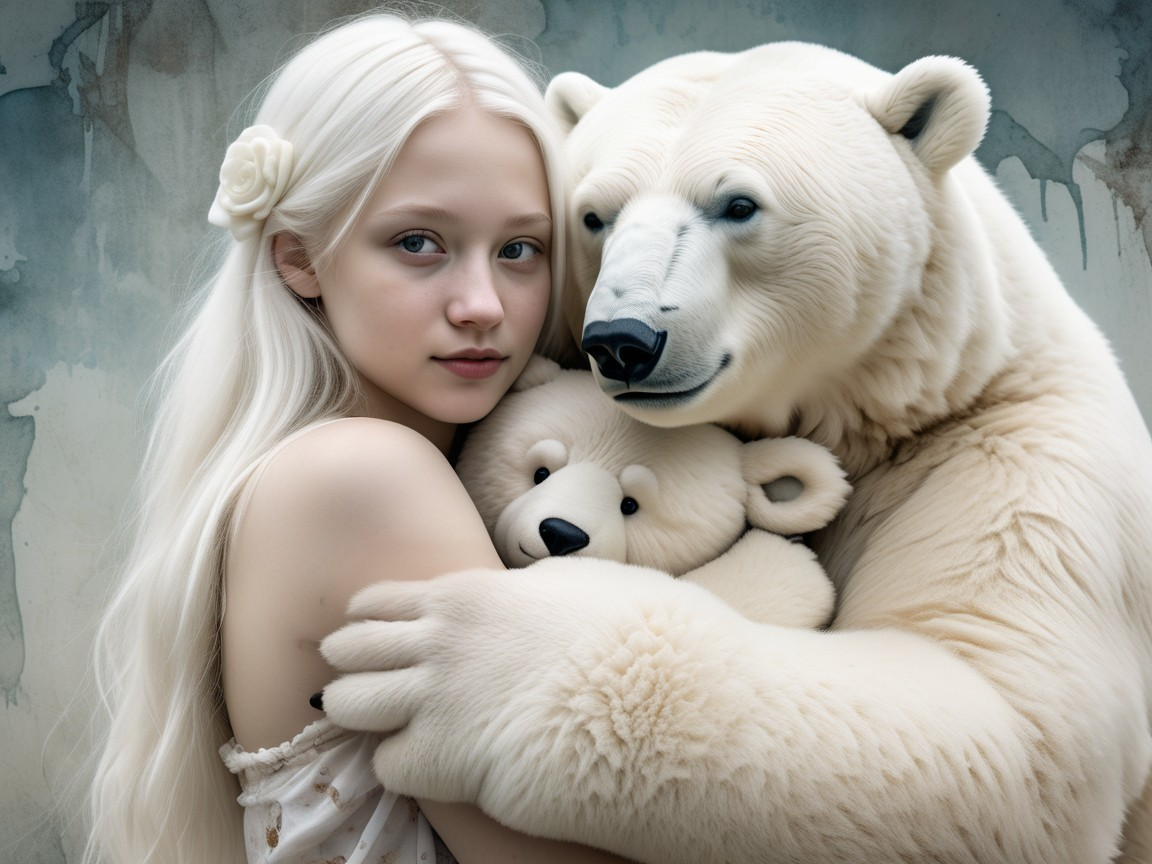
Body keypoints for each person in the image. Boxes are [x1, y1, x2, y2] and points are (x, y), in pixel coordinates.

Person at [83, 13, 634, 864]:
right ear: (299, 257)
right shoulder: (364, 475)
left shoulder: (324, 465)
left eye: (520, 249)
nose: (483, 304)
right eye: (419, 243)